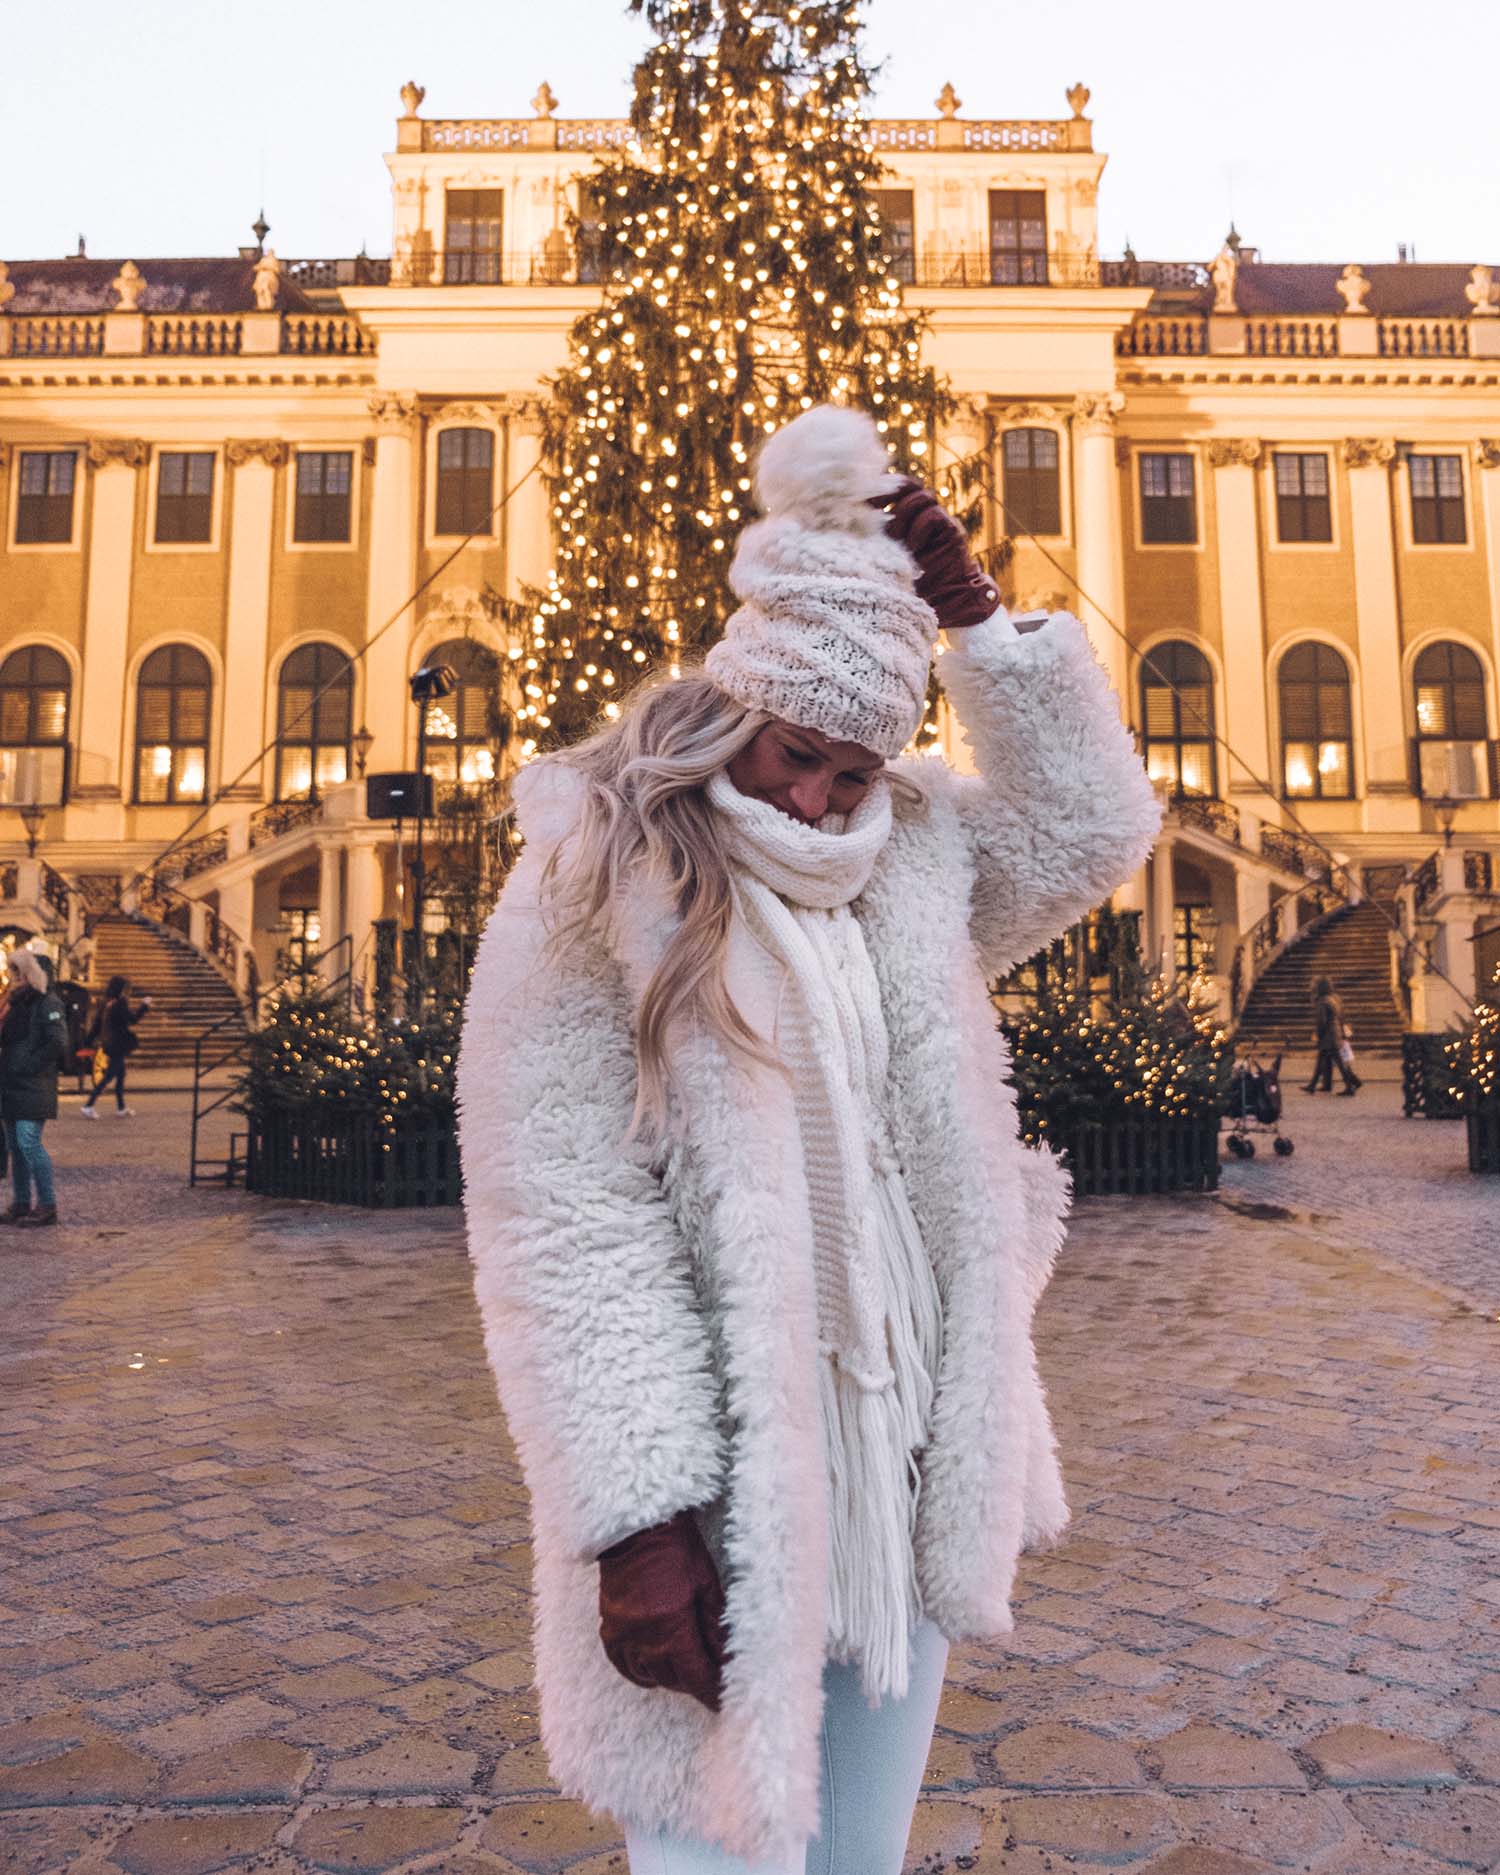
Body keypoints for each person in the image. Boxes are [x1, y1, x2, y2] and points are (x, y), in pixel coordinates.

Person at [457, 405, 1162, 1875]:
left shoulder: (910, 857)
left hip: (898, 1454)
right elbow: (561, 1204)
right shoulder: (600, 867)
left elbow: (1097, 826)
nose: (819, 797)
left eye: (855, 768)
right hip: (722, 1483)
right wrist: (639, 1508)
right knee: (718, 1851)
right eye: (797, 754)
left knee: (855, 1856)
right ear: (736, 709)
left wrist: (982, 629)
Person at [0, 946, 67, 1227]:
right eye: (12, 971)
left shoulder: (47, 1003)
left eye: (18, 972)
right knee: (16, 1146)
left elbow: (58, 1042)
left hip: (33, 1085)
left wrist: (28, 1065)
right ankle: (21, 1203)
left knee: (29, 1143)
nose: (14, 977)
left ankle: (47, 1204)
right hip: (11, 1085)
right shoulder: (15, 1003)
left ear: (31, 973)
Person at [80, 976, 151, 1117]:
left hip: (109, 1043)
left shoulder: (106, 1002)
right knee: (108, 1077)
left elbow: (97, 1025)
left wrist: (88, 1040)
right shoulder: (120, 1003)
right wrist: (144, 1006)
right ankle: (88, 1105)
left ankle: (121, 1107)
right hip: (117, 1044)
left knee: (121, 1075)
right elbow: (132, 1019)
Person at [1304, 974, 1360, 1095]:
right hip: (1334, 1033)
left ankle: (1350, 1086)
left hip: (1329, 1036)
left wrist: (1318, 1035)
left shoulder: (1322, 1001)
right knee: (1322, 1060)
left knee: (1339, 1063)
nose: (1311, 987)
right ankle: (1313, 1085)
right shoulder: (1331, 999)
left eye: (1314, 985)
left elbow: (1321, 1022)